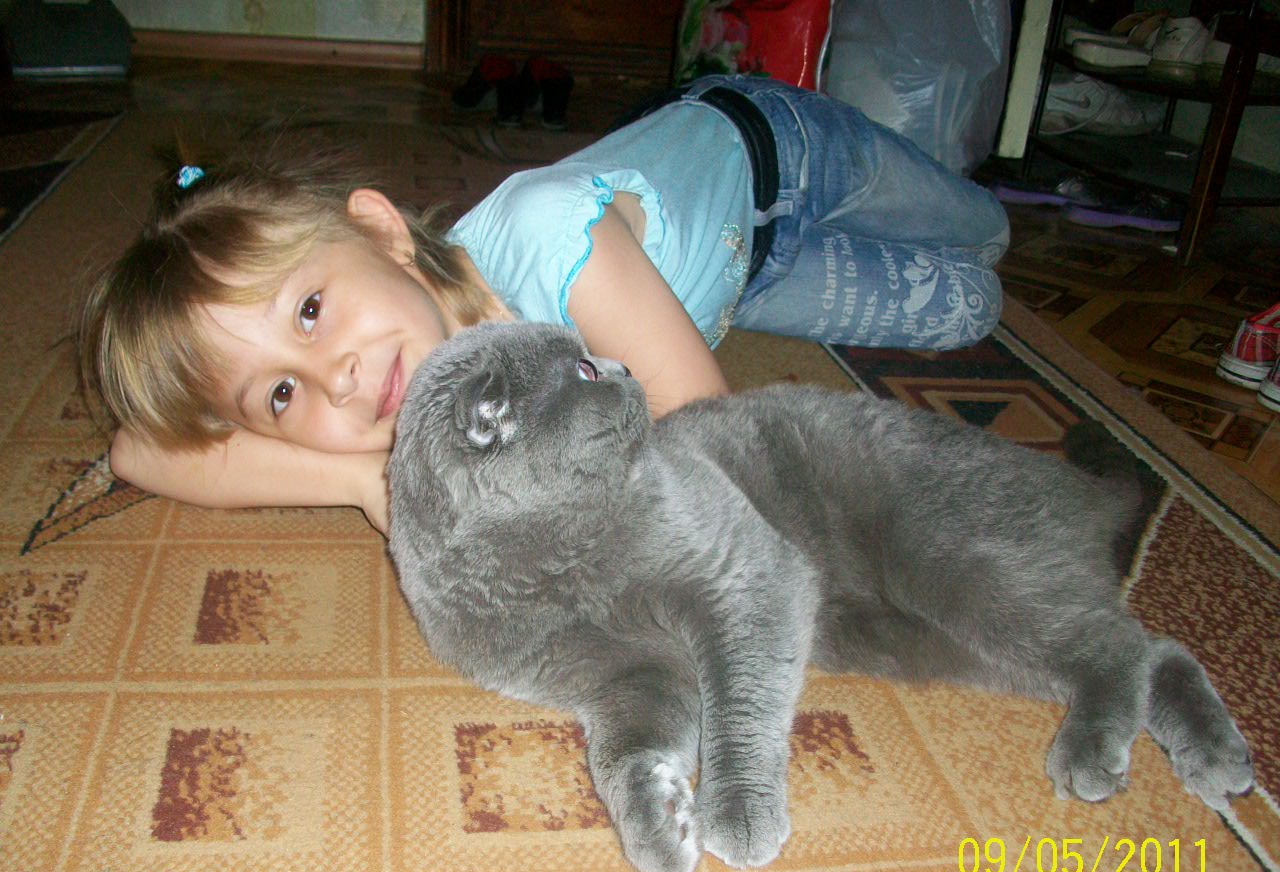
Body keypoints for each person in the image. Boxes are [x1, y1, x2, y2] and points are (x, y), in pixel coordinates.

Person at [77, 76, 1010, 536]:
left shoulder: (545, 237)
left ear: (382, 231)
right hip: (747, 276)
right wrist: (361, 481)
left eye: (310, 311)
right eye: (281, 395)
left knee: (987, 231)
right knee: (972, 307)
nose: (337, 380)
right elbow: (136, 451)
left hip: (783, 146)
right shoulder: (392, 402)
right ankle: (702, 289)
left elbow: (715, 444)